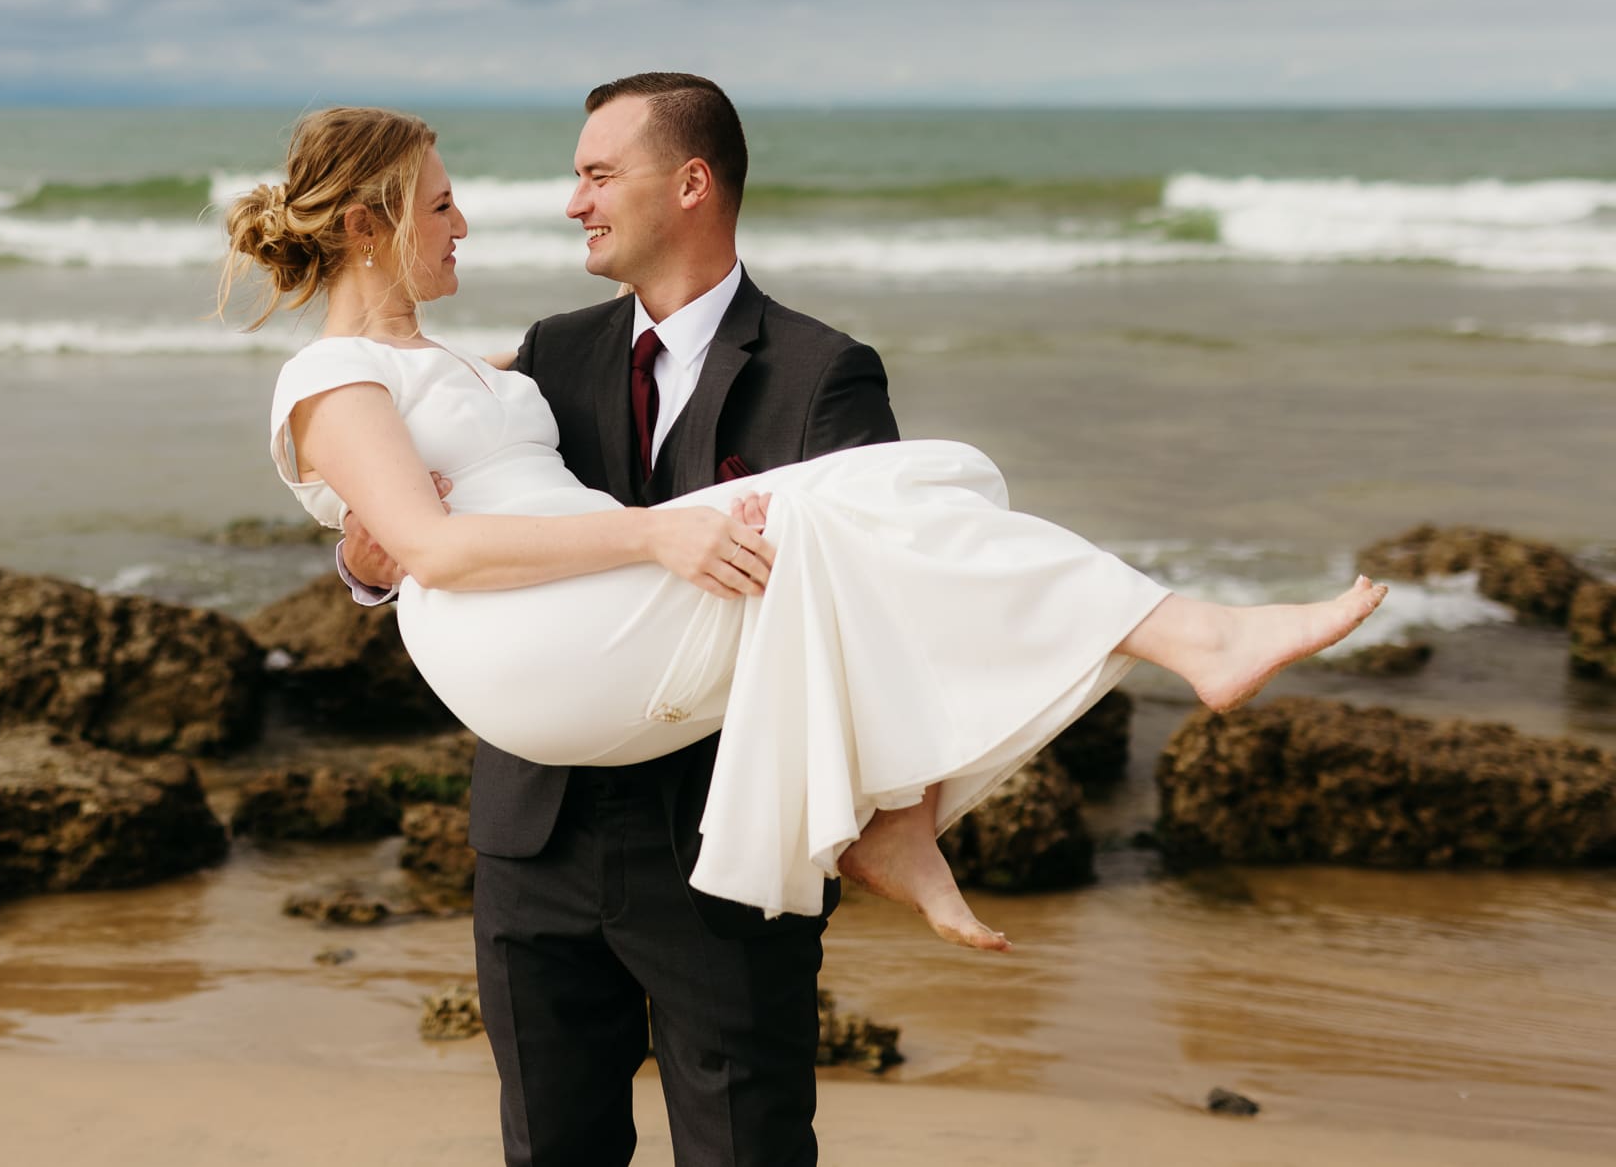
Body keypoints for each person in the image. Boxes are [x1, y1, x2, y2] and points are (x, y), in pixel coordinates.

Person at [219, 85, 1384, 1167]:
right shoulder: (553, 352)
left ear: (689, 185)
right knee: (552, 1149)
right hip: (538, 826)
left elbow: (890, 611)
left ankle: (929, 801)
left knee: (892, 506)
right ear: (373, 223)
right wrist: (365, 560)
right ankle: (1177, 637)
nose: (557, 203)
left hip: (719, 835)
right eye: (446, 201)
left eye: (595, 173)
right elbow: (413, 503)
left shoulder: (820, 371)